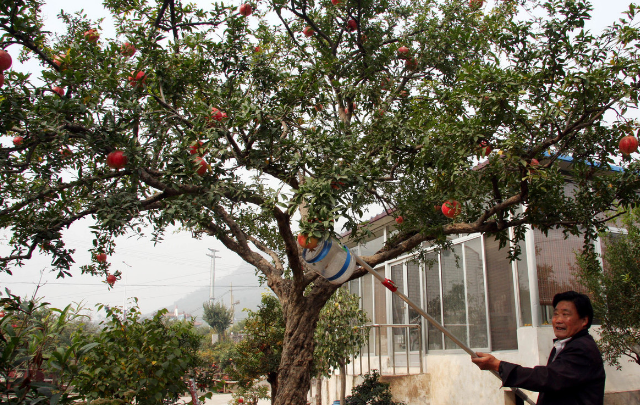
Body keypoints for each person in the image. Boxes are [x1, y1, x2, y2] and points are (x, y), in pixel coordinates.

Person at [471, 291, 605, 405]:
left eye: (566, 314)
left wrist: (498, 365)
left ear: (584, 321)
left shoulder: (582, 349)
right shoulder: (564, 345)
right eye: (556, 314)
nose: (558, 320)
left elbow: (546, 378)